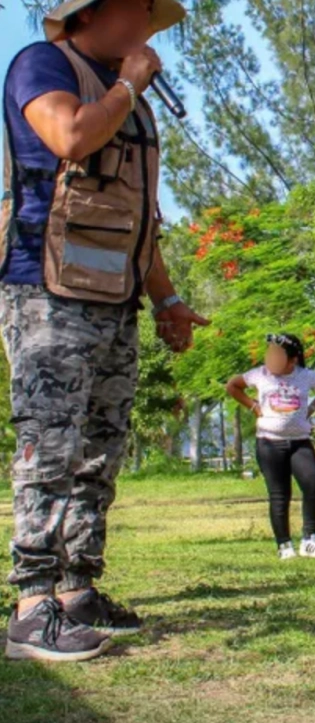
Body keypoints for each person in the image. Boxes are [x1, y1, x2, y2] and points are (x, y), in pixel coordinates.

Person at [1, 0, 211, 662]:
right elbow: (69, 138)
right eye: (143, 13)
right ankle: (31, 605)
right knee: (51, 442)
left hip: (115, 299)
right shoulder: (43, 66)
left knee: (100, 447)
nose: (150, 29)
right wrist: (128, 86)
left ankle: (76, 589)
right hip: (47, 290)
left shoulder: (131, 101)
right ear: (101, 13)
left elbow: (137, 218)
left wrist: (169, 298)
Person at [227, 334, 315, 560]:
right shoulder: (259, 374)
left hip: (300, 442)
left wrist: (312, 408)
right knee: (279, 494)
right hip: (269, 442)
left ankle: (310, 540)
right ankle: (284, 545)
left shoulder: (306, 376)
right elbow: (233, 386)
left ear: (293, 359)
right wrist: (253, 406)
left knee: (313, 484)